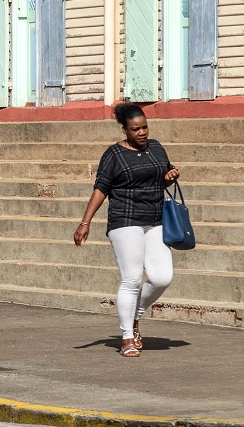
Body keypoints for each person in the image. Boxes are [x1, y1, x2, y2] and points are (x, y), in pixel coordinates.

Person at [74, 103, 180, 356]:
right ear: (125, 130)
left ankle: (135, 316)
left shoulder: (156, 148)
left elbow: (163, 173)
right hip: (125, 220)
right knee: (132, 278)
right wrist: (85, 222)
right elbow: (101, 189)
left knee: (162, 277)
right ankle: (126, 337)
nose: (142, 132)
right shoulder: (113, 154)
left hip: (155, 218)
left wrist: (169, 176)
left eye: (144, 127)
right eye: (135, 129)